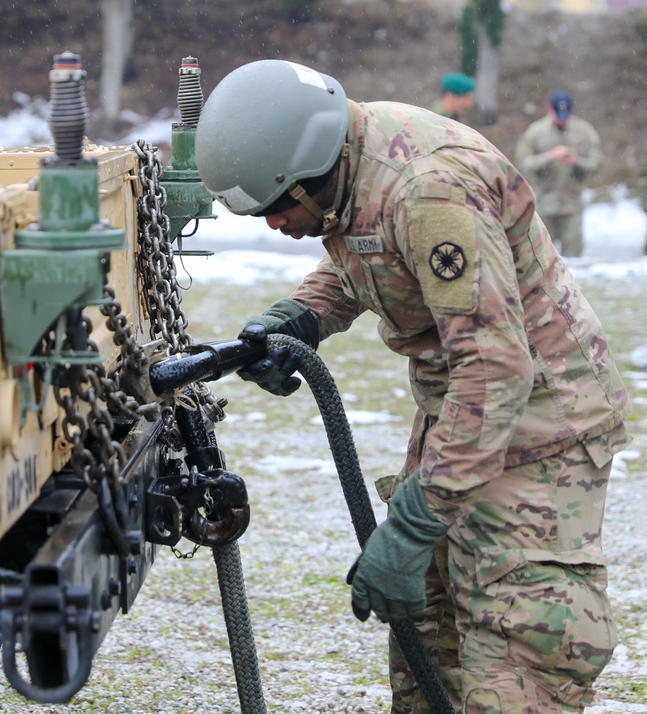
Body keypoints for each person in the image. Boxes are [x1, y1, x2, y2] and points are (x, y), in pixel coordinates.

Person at [194, 59, 630, 713]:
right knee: (429, 643)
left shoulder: (430, 191)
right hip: (461, 412)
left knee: (519, 659)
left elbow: (496, 370)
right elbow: (366, 253)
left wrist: (413, 524)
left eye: (277, 209)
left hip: (539, 427)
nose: (274, 227)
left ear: (307, 172)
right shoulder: (354, 161)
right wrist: (302, 317)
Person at [514, 91, 602, 257]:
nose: (562, 118)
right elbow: (522, 163)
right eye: (558, 114)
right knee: (542, 257)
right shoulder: (535, 132)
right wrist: (548, 157)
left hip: (572, 205)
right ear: (549, 109)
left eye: (566, 114)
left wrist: (577, 161)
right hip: (543, 204)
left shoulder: (584, 131)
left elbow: (596, 162)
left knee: (574, 258)